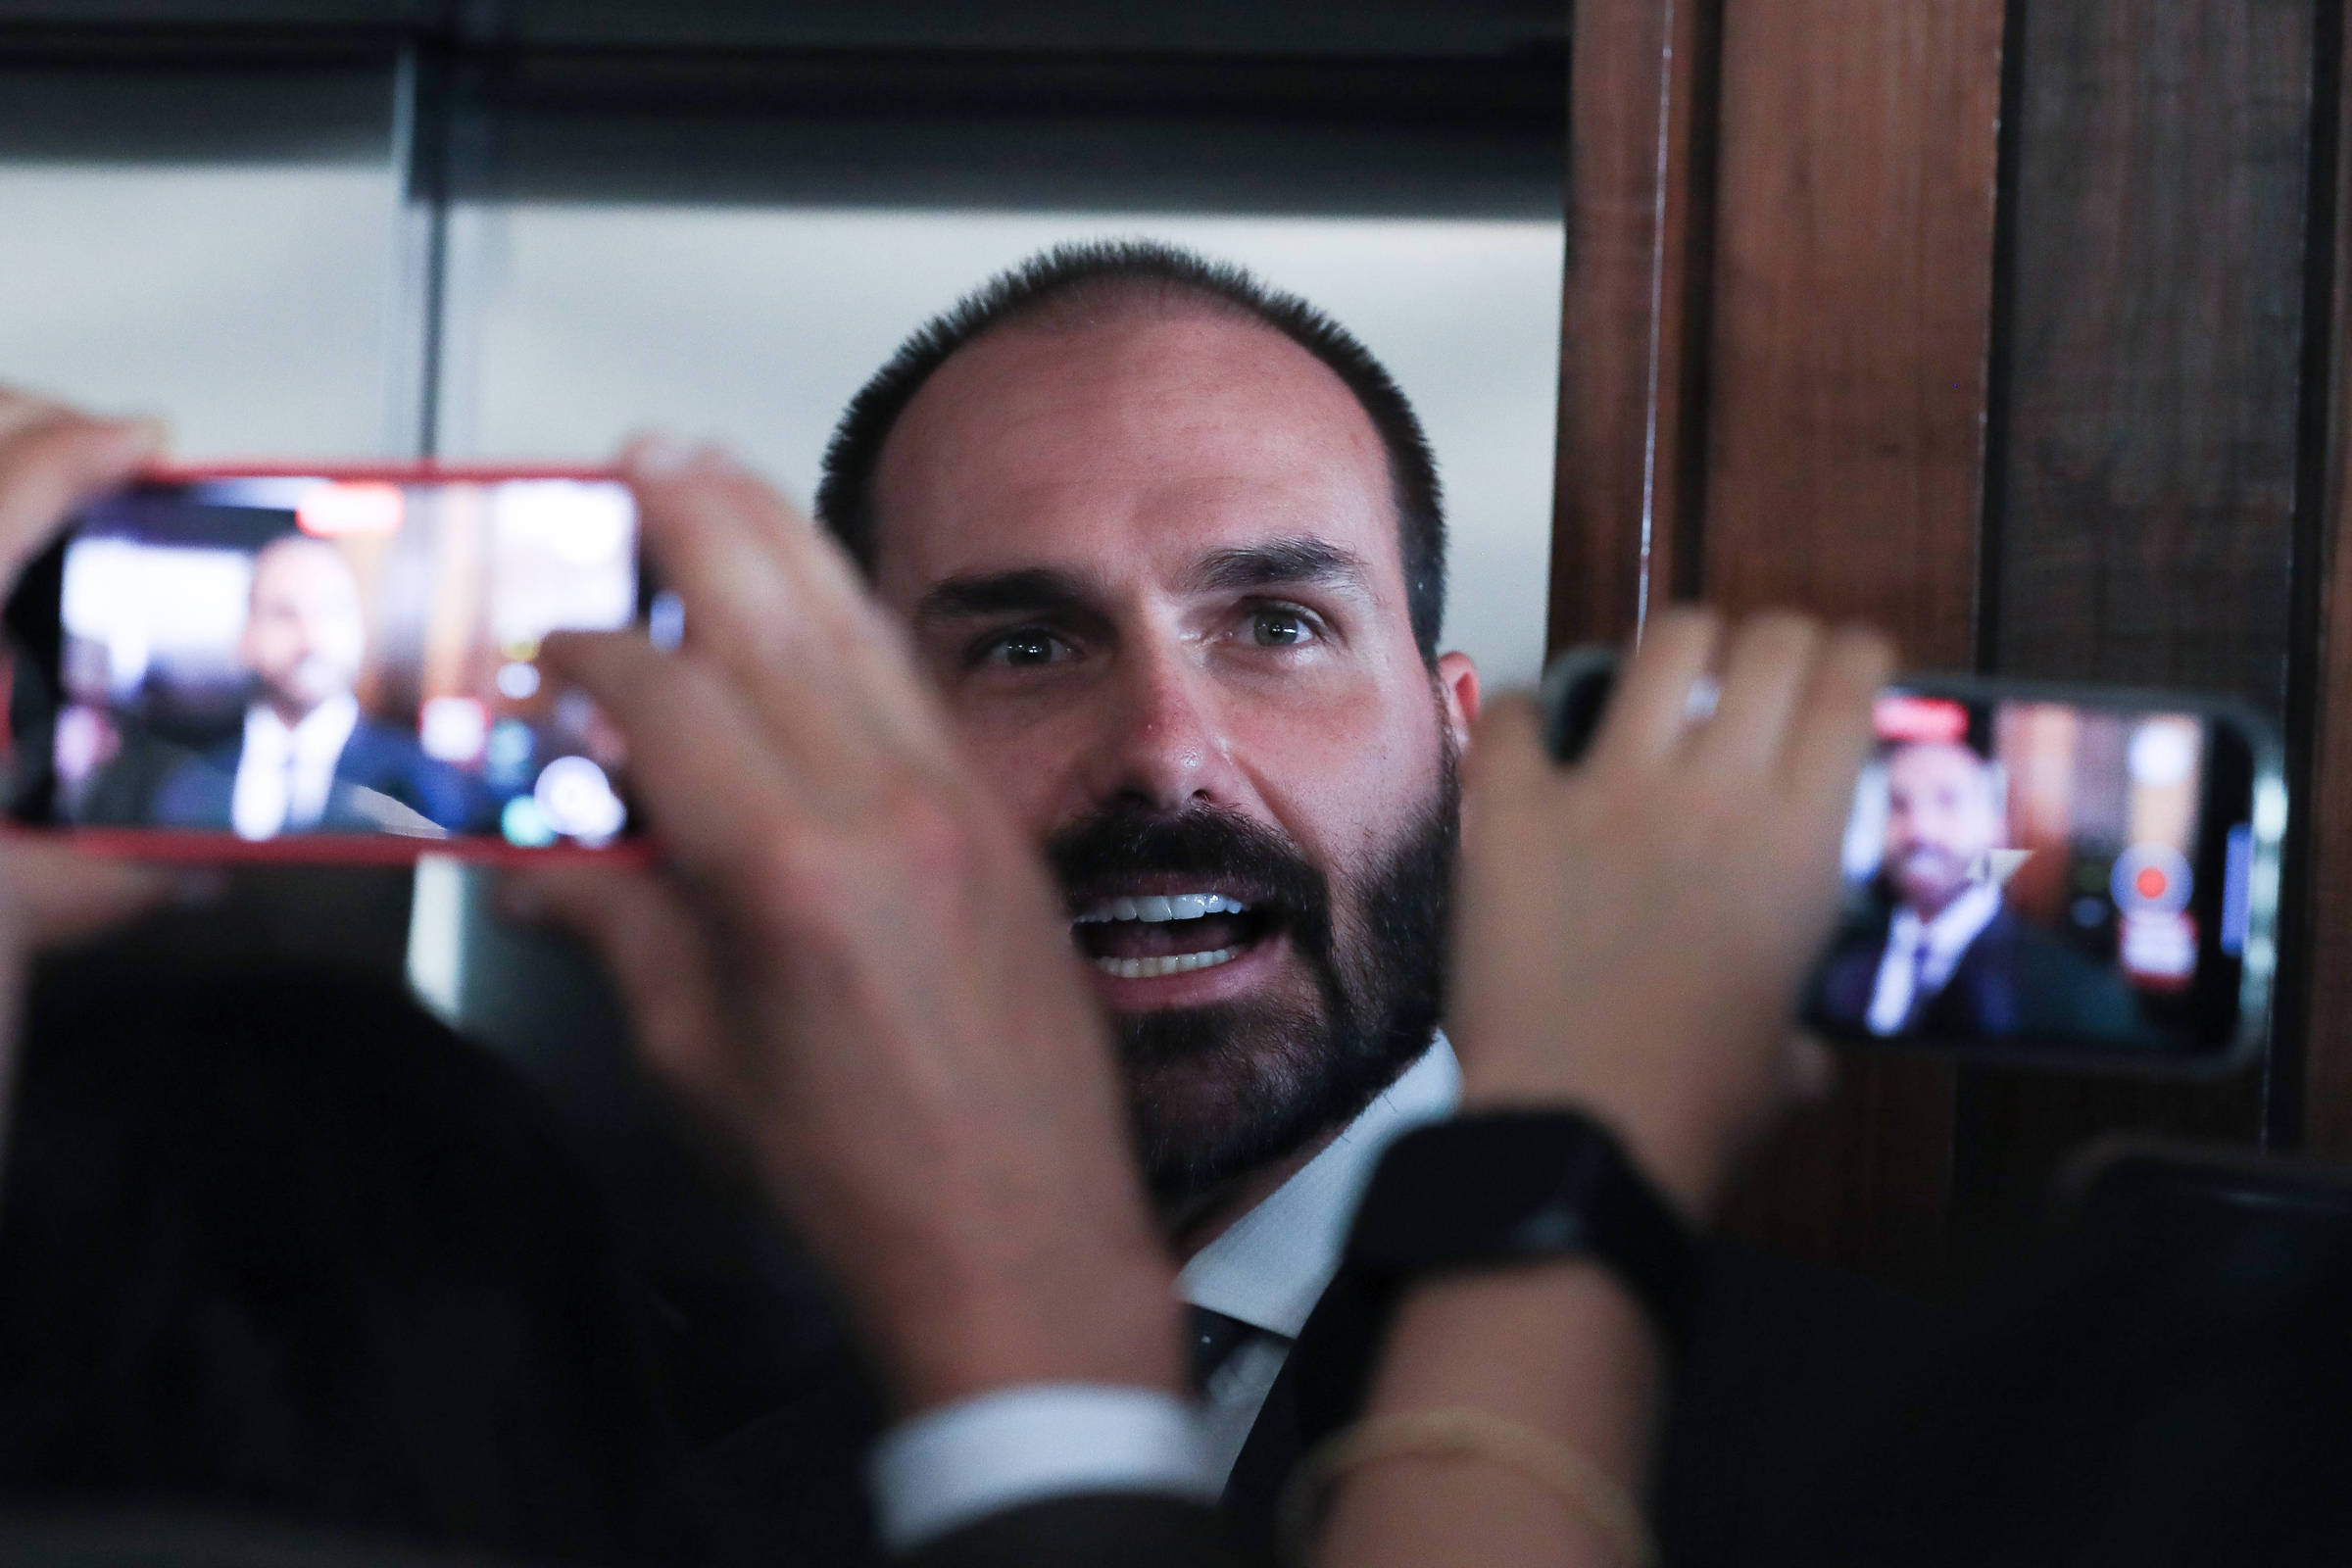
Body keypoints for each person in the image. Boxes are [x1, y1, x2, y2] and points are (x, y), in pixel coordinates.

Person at [512, 242, 1928, 1559]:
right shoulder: (675, 1502)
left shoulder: (1896, 1453)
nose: (1163, 751)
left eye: (1278, 625)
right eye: (1025, 647)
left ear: (1456, 736)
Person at [150, 533, 492, 839]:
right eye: (285, 614)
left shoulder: (430, 788)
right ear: (246, 636)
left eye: (332, 611)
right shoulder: (187, 789)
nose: (311, 639)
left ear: (361, 630)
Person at [1812, 737, 2147, 1042]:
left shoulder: (2078, 993)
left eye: (1948, 801)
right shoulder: (1831, 961)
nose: (1920, 830)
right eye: (1898, 805)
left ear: (1996, 828)